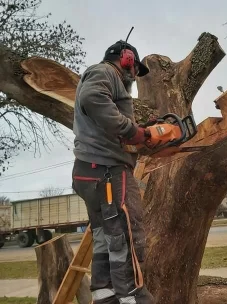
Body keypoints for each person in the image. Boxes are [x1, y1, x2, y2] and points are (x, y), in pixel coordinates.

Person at [71, 38, 155, 304]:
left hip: (90, 170)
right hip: (107, 170)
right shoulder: (105, 71)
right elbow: (92, 97)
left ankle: (105, 295)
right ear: (127, 59)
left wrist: (141, 129)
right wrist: (133, 131)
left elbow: (110, 119)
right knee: (127, 231)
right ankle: (131, 294)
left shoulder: (108, 78)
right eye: (135, 69)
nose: (134, 76)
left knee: (106, 237)